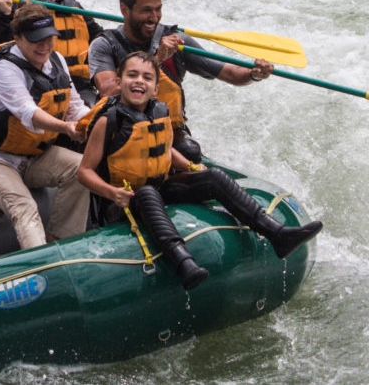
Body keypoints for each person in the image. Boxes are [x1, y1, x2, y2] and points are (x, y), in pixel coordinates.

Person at [77, 51, 322, 289]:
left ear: (155, 87)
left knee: (212, 177)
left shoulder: (159, 111)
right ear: (119, 82)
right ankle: (184, 264)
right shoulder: (107, 121)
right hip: (122, 202)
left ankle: (277, 233)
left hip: (158, 186)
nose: (139, 81)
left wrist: (188, 166)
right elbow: (84, 171)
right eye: (132, 75)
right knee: (147, 194)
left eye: (147, 77)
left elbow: (163, 147)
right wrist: (111, 193)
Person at [87, 0, 274, 160]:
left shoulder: (177, 41)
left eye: (158, 9)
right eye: (146, 11)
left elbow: (230, 74)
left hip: (165, 130)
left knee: (190, 152)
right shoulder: (105, 45)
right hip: (119, 132)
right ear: (125, 10)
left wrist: (254, 74)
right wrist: (157, 59)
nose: (154, 18)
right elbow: (108, 91)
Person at [0, 4, 91, 250]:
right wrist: (66, 128)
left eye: (48, 38)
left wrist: (92, 122)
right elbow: (29, 113)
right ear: (17, 38)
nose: (44, 46)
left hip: (33, 156)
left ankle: (60, 247)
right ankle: (41, 267)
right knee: (25, 206)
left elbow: (75, 106)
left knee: (79, 171)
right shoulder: (4, 68)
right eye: (35, 40)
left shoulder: (57, 60)